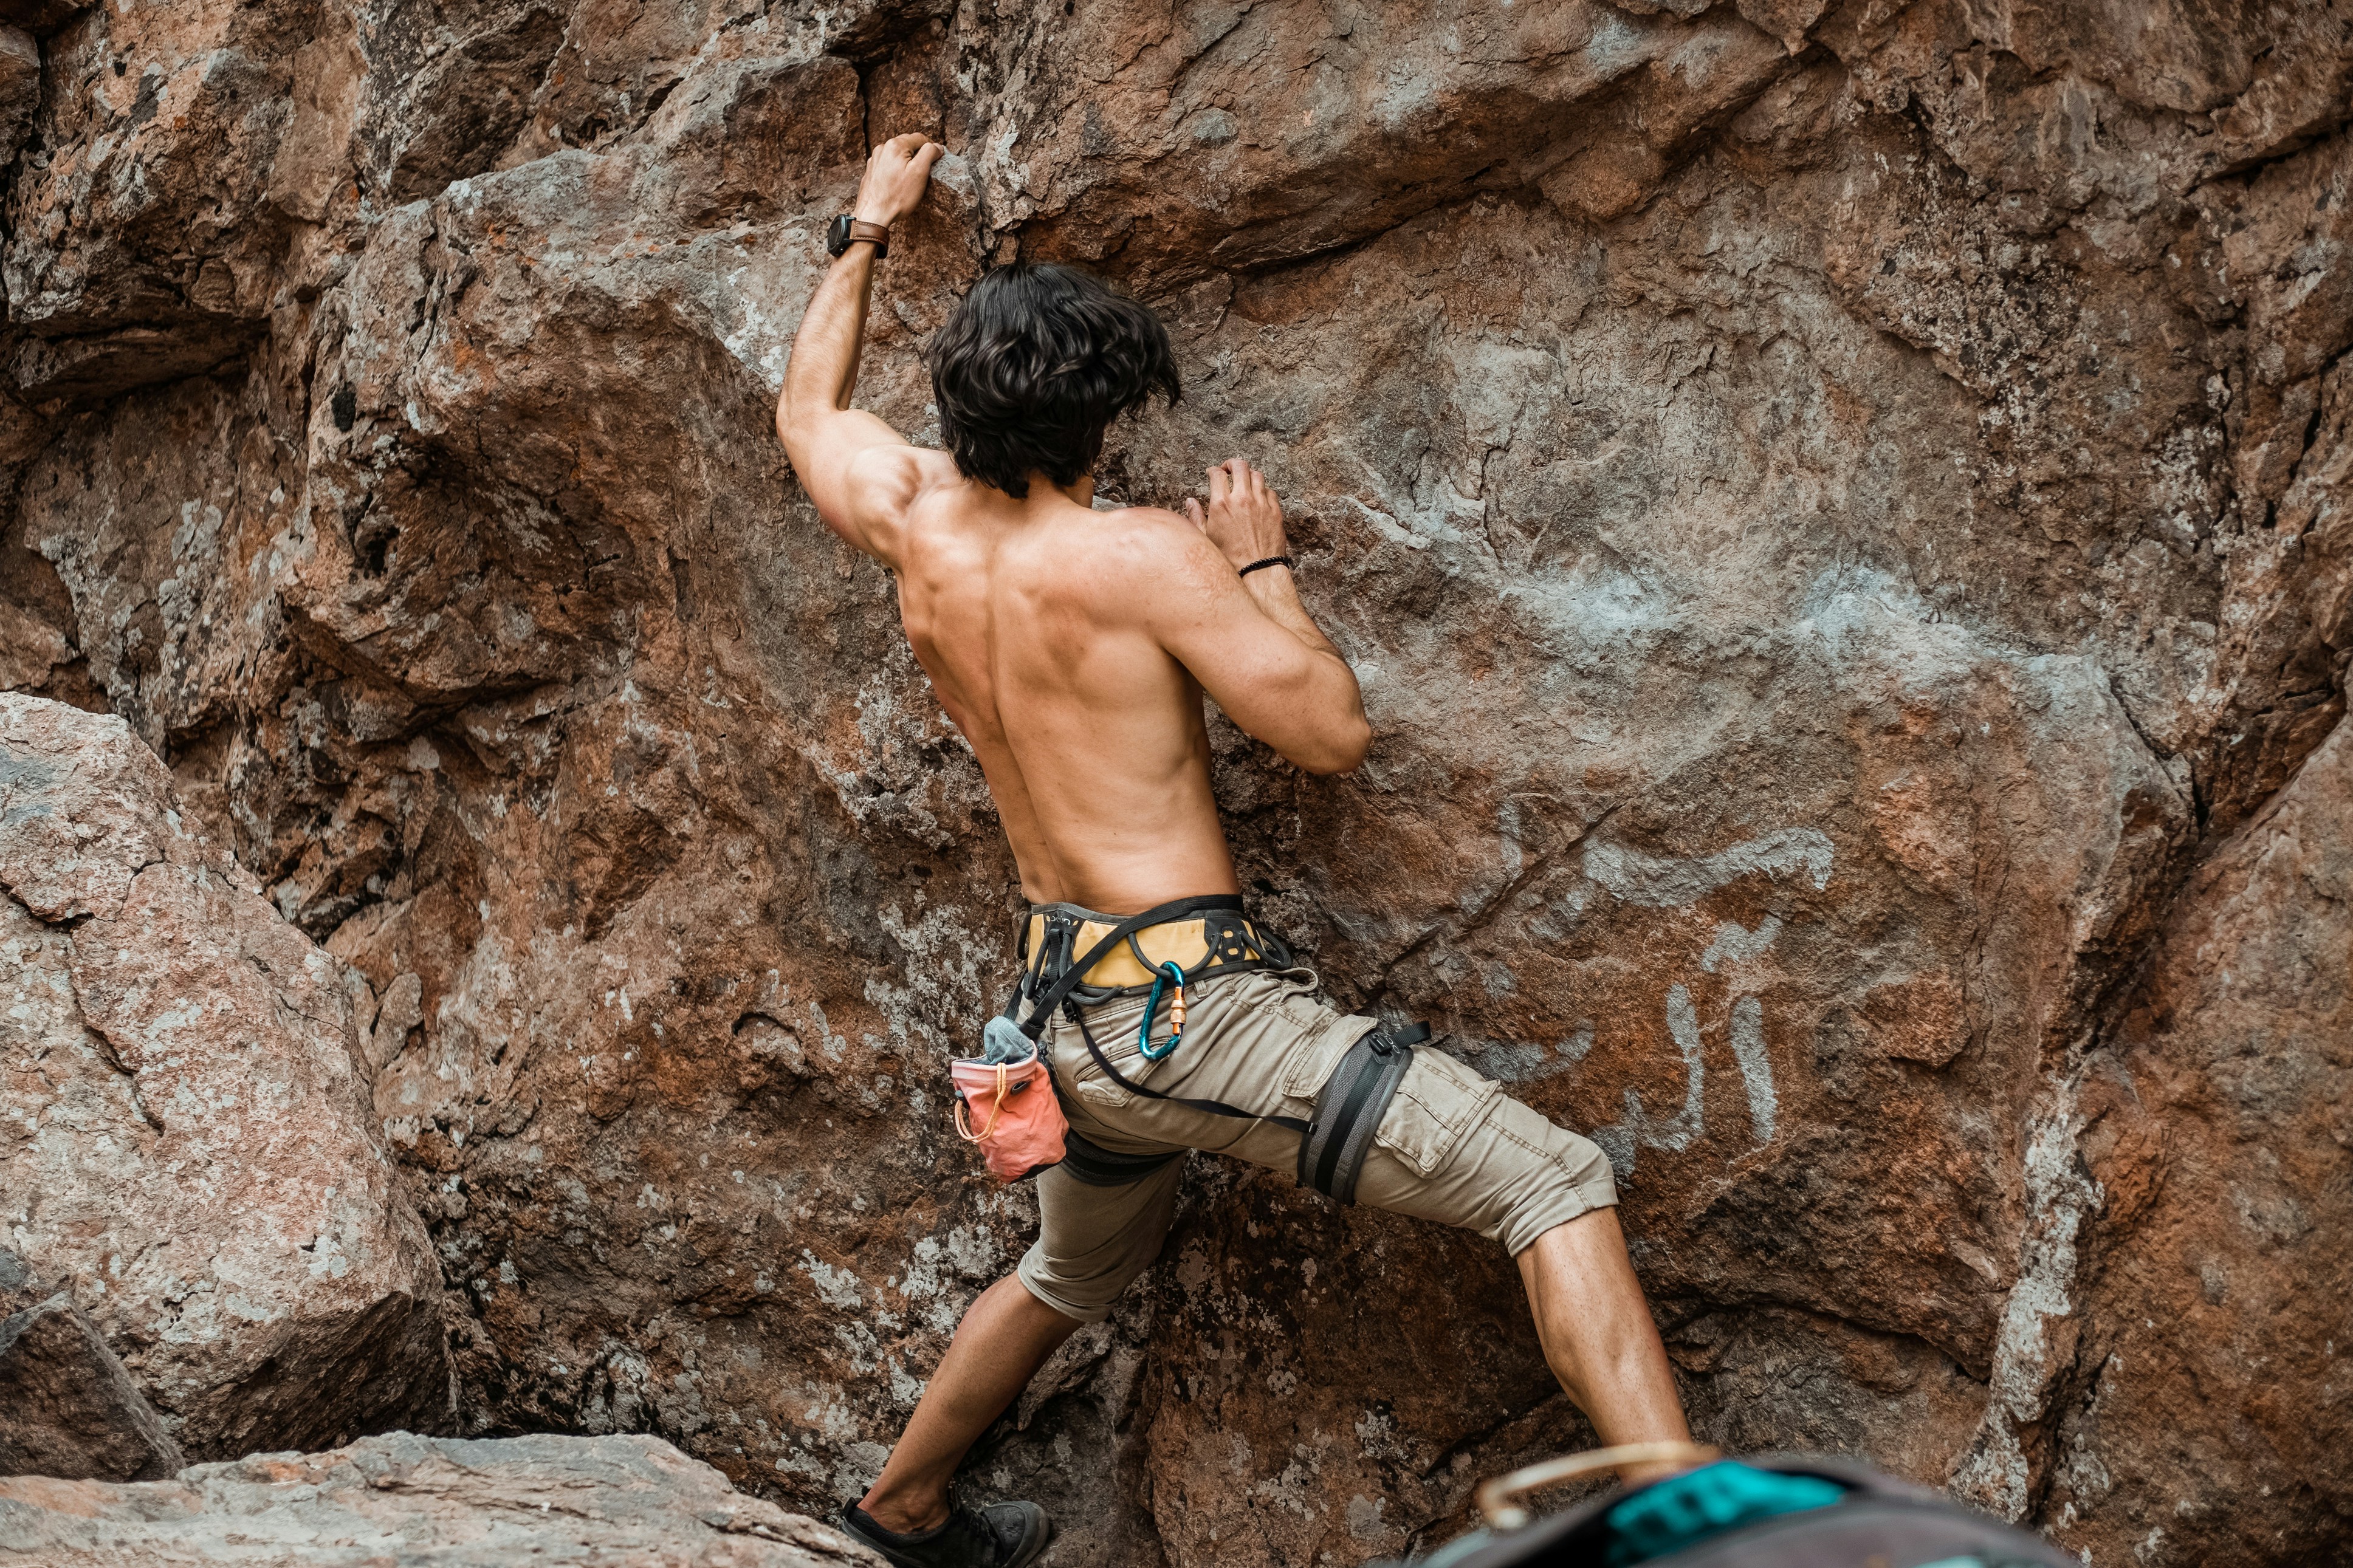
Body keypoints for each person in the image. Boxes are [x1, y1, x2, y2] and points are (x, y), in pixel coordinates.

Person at [777, 133, 1693, 1568]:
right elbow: (1328, 730)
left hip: (1062, 1023)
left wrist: (865, 232)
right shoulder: (1139, 555)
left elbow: (805, 408)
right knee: (1548, 1179)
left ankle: (902, 1507)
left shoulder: (913, 524)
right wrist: (1261, 567)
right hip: (1189, 1016)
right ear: (1098, 423)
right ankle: (1696, 1527)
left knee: (1072, 1268)